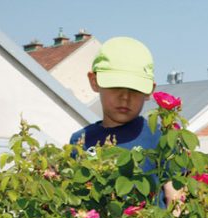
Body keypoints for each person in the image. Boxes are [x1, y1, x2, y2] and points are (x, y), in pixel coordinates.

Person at [68, 37, 178, 206]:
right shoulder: (80, 140)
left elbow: (176, 198)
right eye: (115, 86)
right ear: (94, 81)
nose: (125, 97)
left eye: (134, 89)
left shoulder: (160, 137)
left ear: (149, 90)